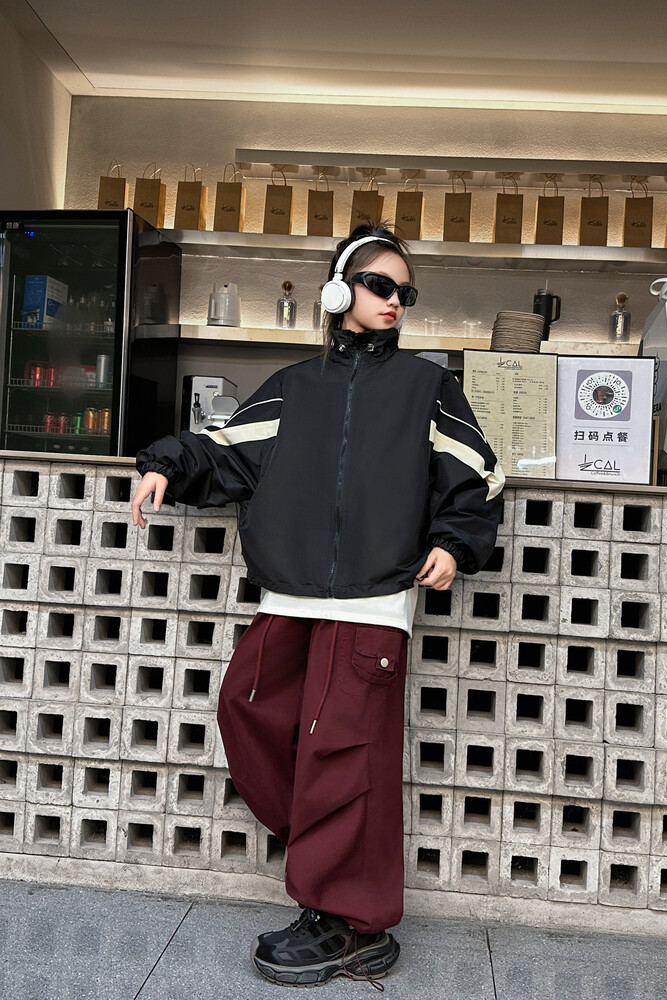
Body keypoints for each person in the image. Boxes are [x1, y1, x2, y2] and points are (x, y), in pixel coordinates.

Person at [131, 224, 505, 988]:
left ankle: (350, 924)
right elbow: (226, 450)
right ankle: (328, 844)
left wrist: (455, 542)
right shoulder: (294, 386)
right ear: (339, 290)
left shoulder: (427, 388)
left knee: (342, 754)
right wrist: (166, 463)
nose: (396, 300)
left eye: (406, 291)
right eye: (380, 284)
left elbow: (479, 476)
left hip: (374, 603)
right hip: (289, 595)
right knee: (247, 707)